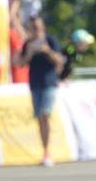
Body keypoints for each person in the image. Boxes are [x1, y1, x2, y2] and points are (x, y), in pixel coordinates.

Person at [21, 17, 64, 167]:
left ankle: (47, 152)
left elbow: (60, 60)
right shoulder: (28, 43)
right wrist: (29, 53)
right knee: (39, 117)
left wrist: (47, 51)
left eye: (38, 27)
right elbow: (21, 63)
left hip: (49, 82)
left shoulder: (50, 41)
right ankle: (44, 150)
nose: (36, 30)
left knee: (45, 114)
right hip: (34, 83)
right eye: (33, 28)